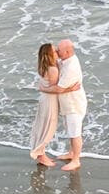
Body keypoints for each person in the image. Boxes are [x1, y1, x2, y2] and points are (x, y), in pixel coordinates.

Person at [49, 39, 87, 171]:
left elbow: (58, 88)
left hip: (74, 105)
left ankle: (76, 160)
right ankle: (71, 153)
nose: (57, 52)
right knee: (71, 131)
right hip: (69, 103)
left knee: (75, 133)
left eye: (59, 50)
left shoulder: (71, 67)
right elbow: (58, 64)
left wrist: (44, 89)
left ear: (67, 51)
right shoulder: (67, 60)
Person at [28, 43, 61, 167]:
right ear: (49, 54)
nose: (57, 51)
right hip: (50, 100)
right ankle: (40, 154)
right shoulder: (52, 69)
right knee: (48, 127)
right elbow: (56, 89)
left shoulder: (44, 67)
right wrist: (72, 88)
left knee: (42, 126)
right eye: (54, 50)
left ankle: (41, 153)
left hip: (45, 99)